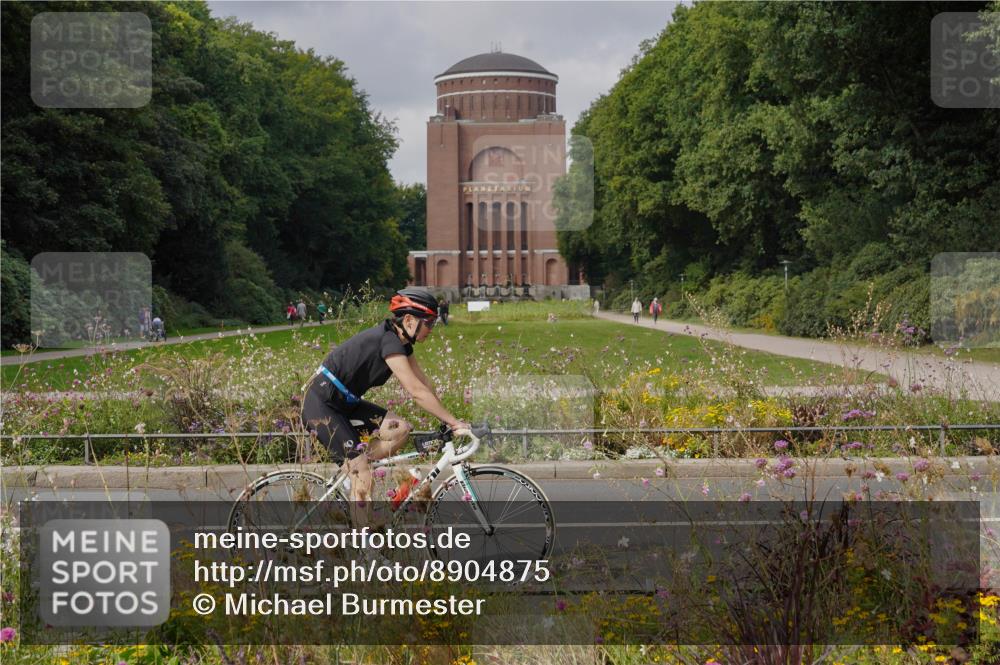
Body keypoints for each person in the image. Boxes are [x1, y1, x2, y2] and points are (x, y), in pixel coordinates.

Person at [300, 288, 470, 509]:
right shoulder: (389, 342)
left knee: (400, 430)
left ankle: (355, 469)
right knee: (362, 473)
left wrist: (448, 419)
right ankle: (363, 513)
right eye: (429, 323)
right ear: (408, 320)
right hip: (321, 403)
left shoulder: (402, 343)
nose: (432, 328)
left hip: (345, 402)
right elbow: (415, 391)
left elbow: (424, 384)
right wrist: (454, 422)